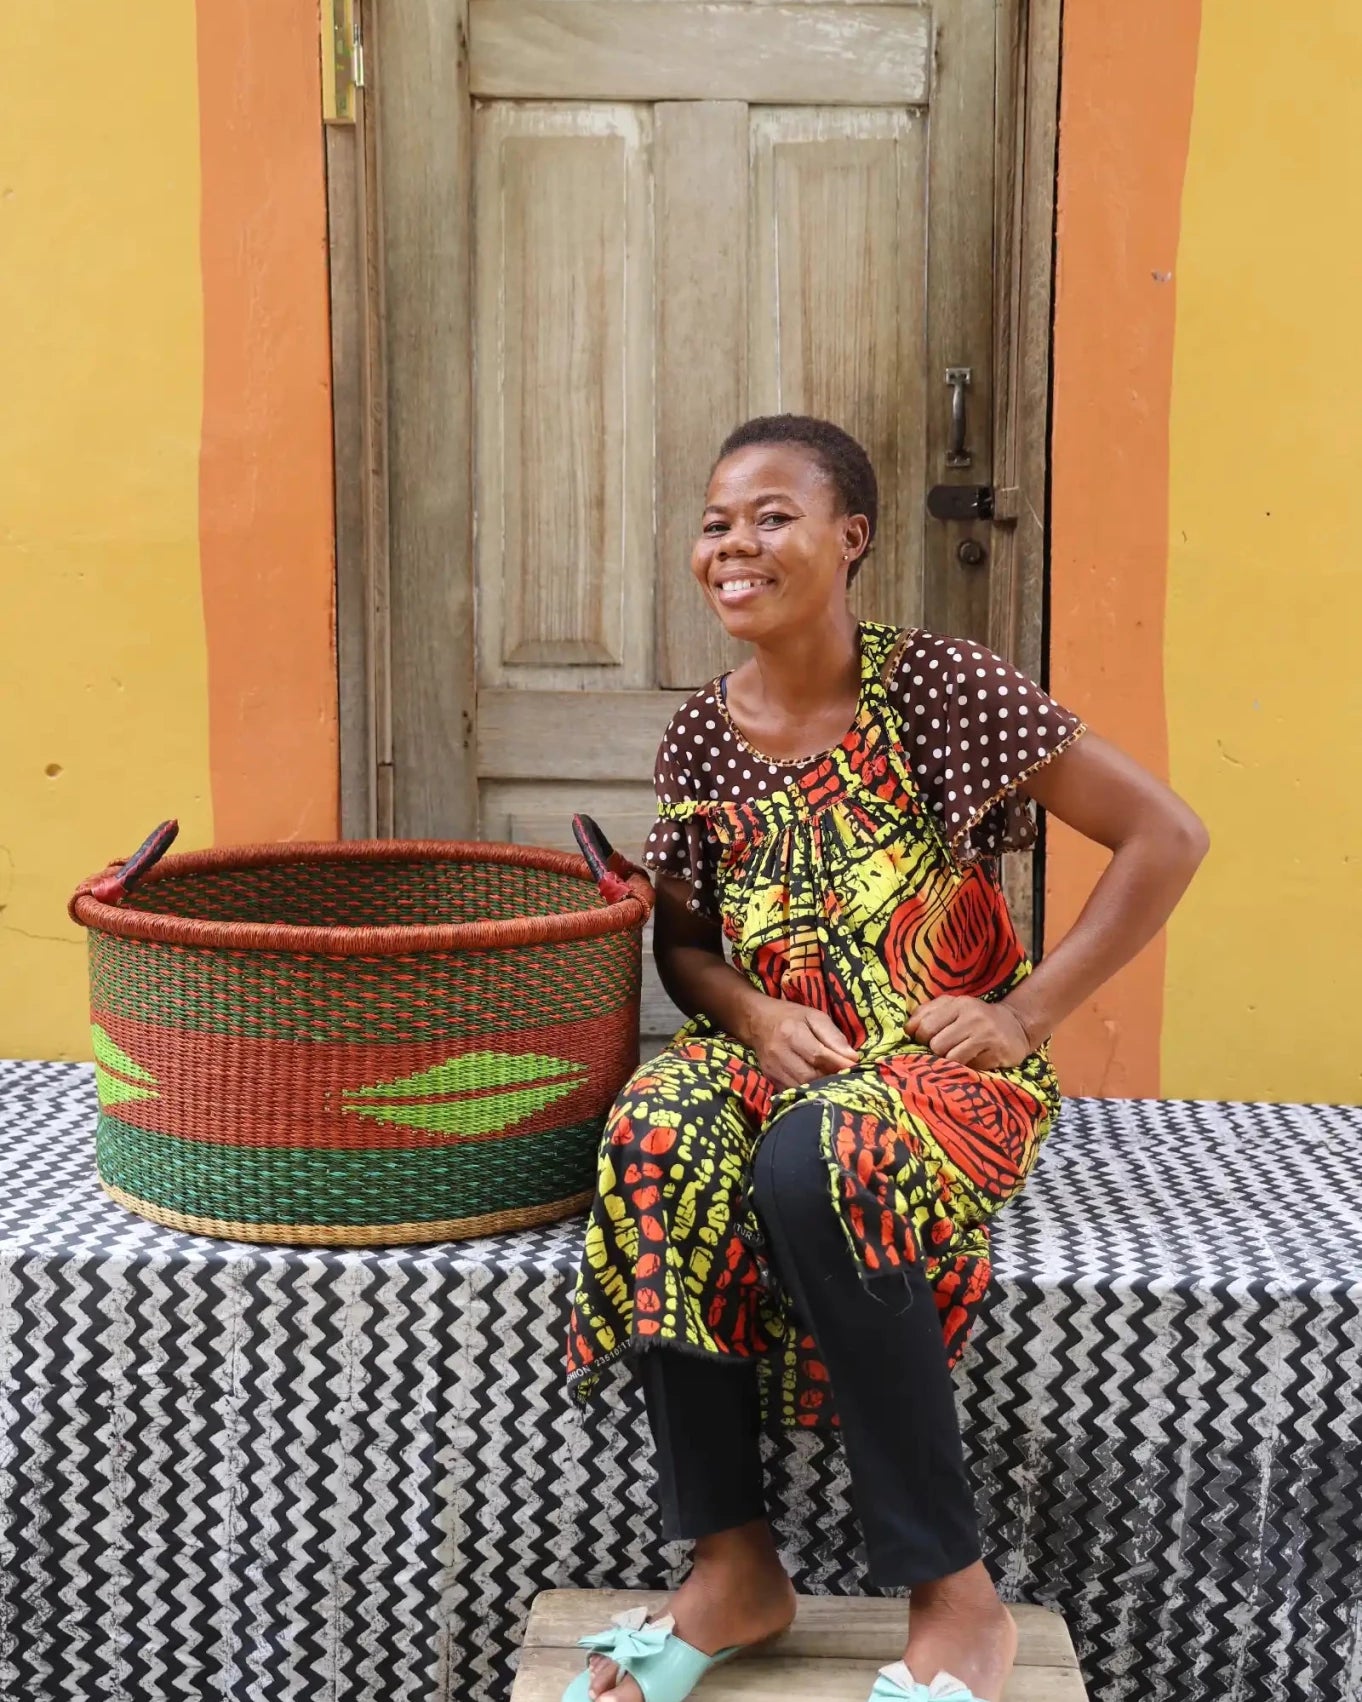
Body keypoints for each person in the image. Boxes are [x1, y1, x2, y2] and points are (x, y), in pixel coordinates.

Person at [561, 415, 1208, 1702]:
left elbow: (1165, 836)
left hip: (942, 1063)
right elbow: (684, 953)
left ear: (851, 538)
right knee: (653, 1137)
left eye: (773, 516)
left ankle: (953, 1592)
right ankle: (735, 1570)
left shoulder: (940, 689)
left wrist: (1024, 1014)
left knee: (817, 1166)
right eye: (715, 521)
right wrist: (750, 1014)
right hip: (775, 1050)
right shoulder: (700, 736)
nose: (734, 545)